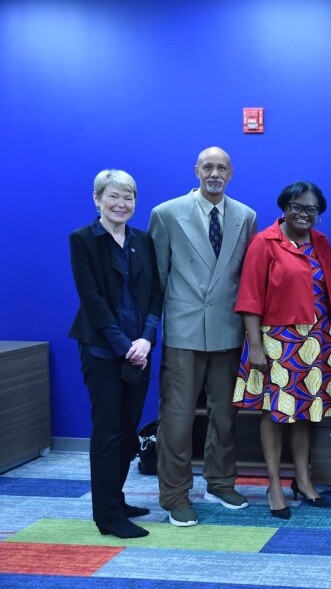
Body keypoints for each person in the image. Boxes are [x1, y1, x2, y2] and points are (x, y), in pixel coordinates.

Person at [148, 146, 257, 527]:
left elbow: (245, 280)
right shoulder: (166, 213)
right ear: (196, 170)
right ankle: (175, 495)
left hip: (228, 331)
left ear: (231, 172)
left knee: (225, 415)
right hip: (184, 330)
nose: (215, 173)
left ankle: (220, 482)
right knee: (176, 419)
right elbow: (156, 279)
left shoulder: (246, 216)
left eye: (222, 167)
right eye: (208, 166)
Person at [233, 181, 331, 519]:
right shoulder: (265, 242)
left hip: (317, 338)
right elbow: (250, 297)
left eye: (312, 209)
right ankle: (274, 484)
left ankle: (303, 480)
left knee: (307, 412)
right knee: (275, 412)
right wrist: (255, 346)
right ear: (285, 207)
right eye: (297, 207)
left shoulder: (322, 243)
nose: (304, 214)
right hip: (276, 339)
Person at [69, 169, 162, 539]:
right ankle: (106, 516)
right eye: (114, 197)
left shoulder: (143, 239)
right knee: (108, 431)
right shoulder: (82, 240)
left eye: (129, 198)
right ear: (97, 199)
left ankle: (117, 497)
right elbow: (92, 301)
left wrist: (146, 340)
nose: (122, 204)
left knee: (127, 429)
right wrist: (126, 346)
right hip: (103, 350)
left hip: (140, 349)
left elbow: (156, 294)